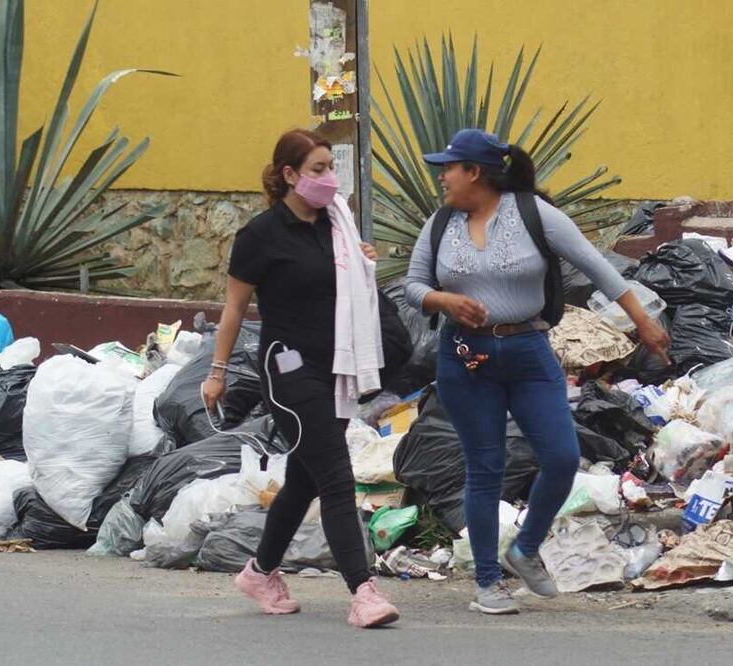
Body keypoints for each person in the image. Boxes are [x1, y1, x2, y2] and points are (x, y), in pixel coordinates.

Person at [405, 128, 670, 614]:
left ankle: (525, 549)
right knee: (484, 469)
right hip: (465, 359)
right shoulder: (440, 223)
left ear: (475, 172)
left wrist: (643, 321)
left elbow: (596, 264)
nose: (442, 176)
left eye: (449, 167)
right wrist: (442, 299)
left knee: (562, 456)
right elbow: (413, 285)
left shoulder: (532, 214)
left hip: (528, 351)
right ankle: (488, 582)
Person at [203, 128, 399, 628]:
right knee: (336, 476)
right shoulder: (260, 236)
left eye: (330, 167)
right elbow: (233, 307)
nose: (329, 178)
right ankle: (363, 591)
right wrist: (217, 372)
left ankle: (259, 571)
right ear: (289, 175)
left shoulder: (336, 228)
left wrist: (361, 261)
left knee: (305, 479)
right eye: (317, 169)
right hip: (288, 370)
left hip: (335, 370)